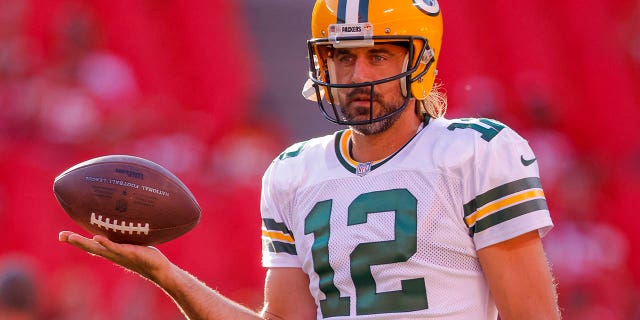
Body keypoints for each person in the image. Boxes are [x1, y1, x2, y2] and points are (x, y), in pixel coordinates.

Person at [59, 0, 561, 319]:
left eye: (378, 55)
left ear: (419, 61)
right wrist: (167, 274)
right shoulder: (293, 173)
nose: (357, 74)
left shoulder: (474, 152)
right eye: (343, 57)